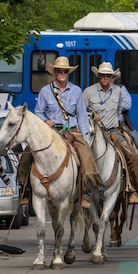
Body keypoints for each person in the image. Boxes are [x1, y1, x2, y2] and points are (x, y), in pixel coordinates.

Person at [23, 56, 103, 209]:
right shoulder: (45, 91)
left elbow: (81, 115)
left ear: (68, 73)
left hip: (71, 131)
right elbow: (38, 112)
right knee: (28, 153)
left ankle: (86, 190)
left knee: (86, 155)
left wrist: (84, 137)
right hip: (51, 131)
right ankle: (25, 188)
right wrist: (45, 120)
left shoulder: (76, 91)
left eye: (65, 71)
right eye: (59, 70)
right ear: (54, 72)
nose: (62, 73)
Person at [83, 62, 138, 205]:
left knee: (132, 155)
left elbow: (118, 110)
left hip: (113, 131)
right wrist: (92, 114)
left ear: (112, 77)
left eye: (108, 76)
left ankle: (132, 188)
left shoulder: (118, 91)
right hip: (93, 132)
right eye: (103, 75)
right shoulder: (88, 92)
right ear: (98, 76)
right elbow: (81, 112)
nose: (105, 78)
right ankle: (84, 190)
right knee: (82, 155)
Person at [114, 73, 138, 158]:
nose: (107, 79)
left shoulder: (121, 88)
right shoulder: (95, 91)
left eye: (110, 76)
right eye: (104, 76)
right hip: (102, 124)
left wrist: (112, 105)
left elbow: (127, 104)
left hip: (122, 124)